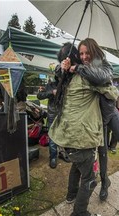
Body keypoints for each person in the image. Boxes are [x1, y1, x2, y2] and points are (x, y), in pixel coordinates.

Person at [58, 40, 119, 204]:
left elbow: (101, 78)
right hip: (96, 119)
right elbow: (61, 74)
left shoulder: (103, 64)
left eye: (87, 53)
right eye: (81, 54)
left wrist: (78, 67)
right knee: (102, 153)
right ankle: (105, 184)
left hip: (110, 113)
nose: (84, 57)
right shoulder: (80, 65)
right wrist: (63, 66)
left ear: (94, 51)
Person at [49, 41, 106, 216]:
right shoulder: (85, 78)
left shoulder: (65, 78)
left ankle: (71, 195)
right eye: (80, 55)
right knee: (89, 179)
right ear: (76, 58)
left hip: (67, 139)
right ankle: (79, 212)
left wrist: (65, 68)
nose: (84, 58)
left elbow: (59, 72)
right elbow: (110, 88)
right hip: (81, 138)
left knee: (76, 167)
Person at [37, 77, 71, 169]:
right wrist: (51, 92)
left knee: (64, 134)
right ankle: (53, 157)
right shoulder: (50, 85)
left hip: (64, 113)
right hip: (52, 114)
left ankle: (63, 153)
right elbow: (39, 96)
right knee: (52, 136)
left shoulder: (67, 83)